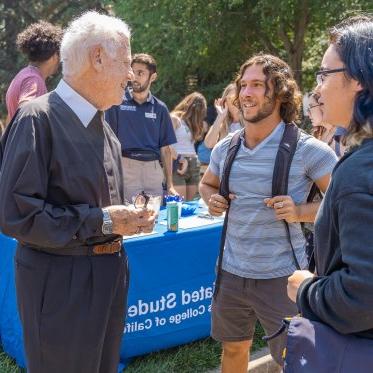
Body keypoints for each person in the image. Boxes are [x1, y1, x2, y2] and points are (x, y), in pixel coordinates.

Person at [0, 11, 155, 373]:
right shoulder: (36, 119)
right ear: (98, 58)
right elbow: (16, 214)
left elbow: (100, 208)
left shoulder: (106, 128)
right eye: (126, 62)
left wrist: (128, 217)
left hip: (108, 278)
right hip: (61, 285)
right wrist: (101, 221)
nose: (131, 75)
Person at [199, 54, 338, 372]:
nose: (245, 93)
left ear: (280, 93)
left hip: (283, 278)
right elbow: (207, 184)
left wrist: (300, 210)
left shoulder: (310, 150)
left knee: (293, 360)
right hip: (231, 273)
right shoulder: (226, 148)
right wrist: (213, 199)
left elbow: (342, 207)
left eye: (257, 85)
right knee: (233, 351)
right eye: (243, 85)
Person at [288, 14, 373, 343]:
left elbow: (361, 298)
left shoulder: (358, 173)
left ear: (359, 80)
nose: (318, 88)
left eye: (324, 74)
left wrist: (304, 289)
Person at [105, 53, 177, 201]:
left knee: (154, 216)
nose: (134, 77)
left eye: (140, 73)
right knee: (131, 216)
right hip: (126, 166)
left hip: (154, 169)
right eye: (133, 72)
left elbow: (166, 149)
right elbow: (107, 141)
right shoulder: (116, 102)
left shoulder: (160, 108)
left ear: (153, 77)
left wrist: (170, 184)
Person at [5, 21, 62, 124]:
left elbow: (10, 118)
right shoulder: (33, 80)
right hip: (25, 140)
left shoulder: (23, 74)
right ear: (54, 55)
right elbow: (26, 110)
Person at [171, 92, 207, 200]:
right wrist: (179, 159)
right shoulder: (174, 118)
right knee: (179, 203)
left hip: (193, 163)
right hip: (178, 162)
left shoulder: (193, 123)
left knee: (192, 204)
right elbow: (165, 143)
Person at [307, 92, 347, 157]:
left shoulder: (342, 132)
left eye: (311, 106)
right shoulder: (320, 132)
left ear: (322, 105)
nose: (308, 113)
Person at [204, 83, 243, 149]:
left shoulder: (250, 122)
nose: (235, 101)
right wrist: (220, 116)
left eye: (238, 97)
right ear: (225, 102)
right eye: (231, 98)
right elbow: (209, 144)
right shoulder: (221, 125)